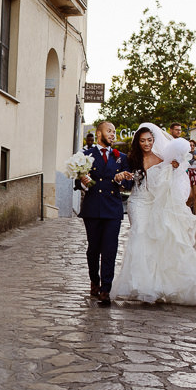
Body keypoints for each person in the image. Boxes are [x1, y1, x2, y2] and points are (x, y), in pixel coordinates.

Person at [111, 123, 196, 306]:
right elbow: (121, 177)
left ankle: (154, 284)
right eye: (143, 140)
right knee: (138, 235)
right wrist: (121, 176)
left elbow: (172, 181)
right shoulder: (131, 159)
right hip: (137, 202)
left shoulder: (162, 159)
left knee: (154, 240)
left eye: (149, 140)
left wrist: (174, 168)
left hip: (154, 203)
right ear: (138, 141)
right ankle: (139, 284)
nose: (146, 144)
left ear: (154, 140)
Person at [77, 121, 132, 305]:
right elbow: (77, 183)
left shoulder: (121, 158)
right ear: (98, 134)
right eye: (109, 131)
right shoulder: (86, 155)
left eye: (114, 132)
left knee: (109, 250)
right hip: (92, 209)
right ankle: (94, 280)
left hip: (112, 209)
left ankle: (105, 289)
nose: (113, 135)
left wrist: (120, 180)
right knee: (93, 250)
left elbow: (129, 183)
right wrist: (84, 182)